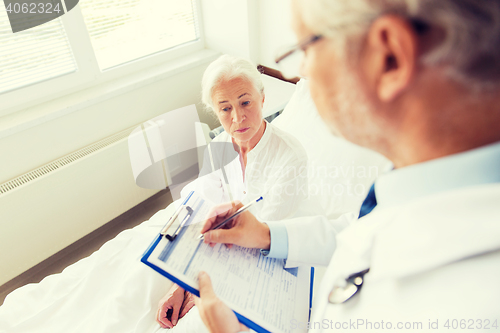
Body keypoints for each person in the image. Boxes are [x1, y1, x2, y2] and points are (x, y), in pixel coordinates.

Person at [193, 0, 500, 332]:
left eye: (305, 48)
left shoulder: (475, 302)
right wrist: (267, 235)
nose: (303, 73)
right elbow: (359, 229)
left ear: (389, 56)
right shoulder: (420, 175)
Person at [155, 54, 311, 329]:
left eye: (245, 102)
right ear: (215, 111)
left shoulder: (291, 157)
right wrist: (180, 284)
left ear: (262, 99)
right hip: (226, 252)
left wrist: (198, 285)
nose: (238, 117)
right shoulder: (219, 150)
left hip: (270, 254)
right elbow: (203, 214)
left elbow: (262, 236)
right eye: (225, 108)